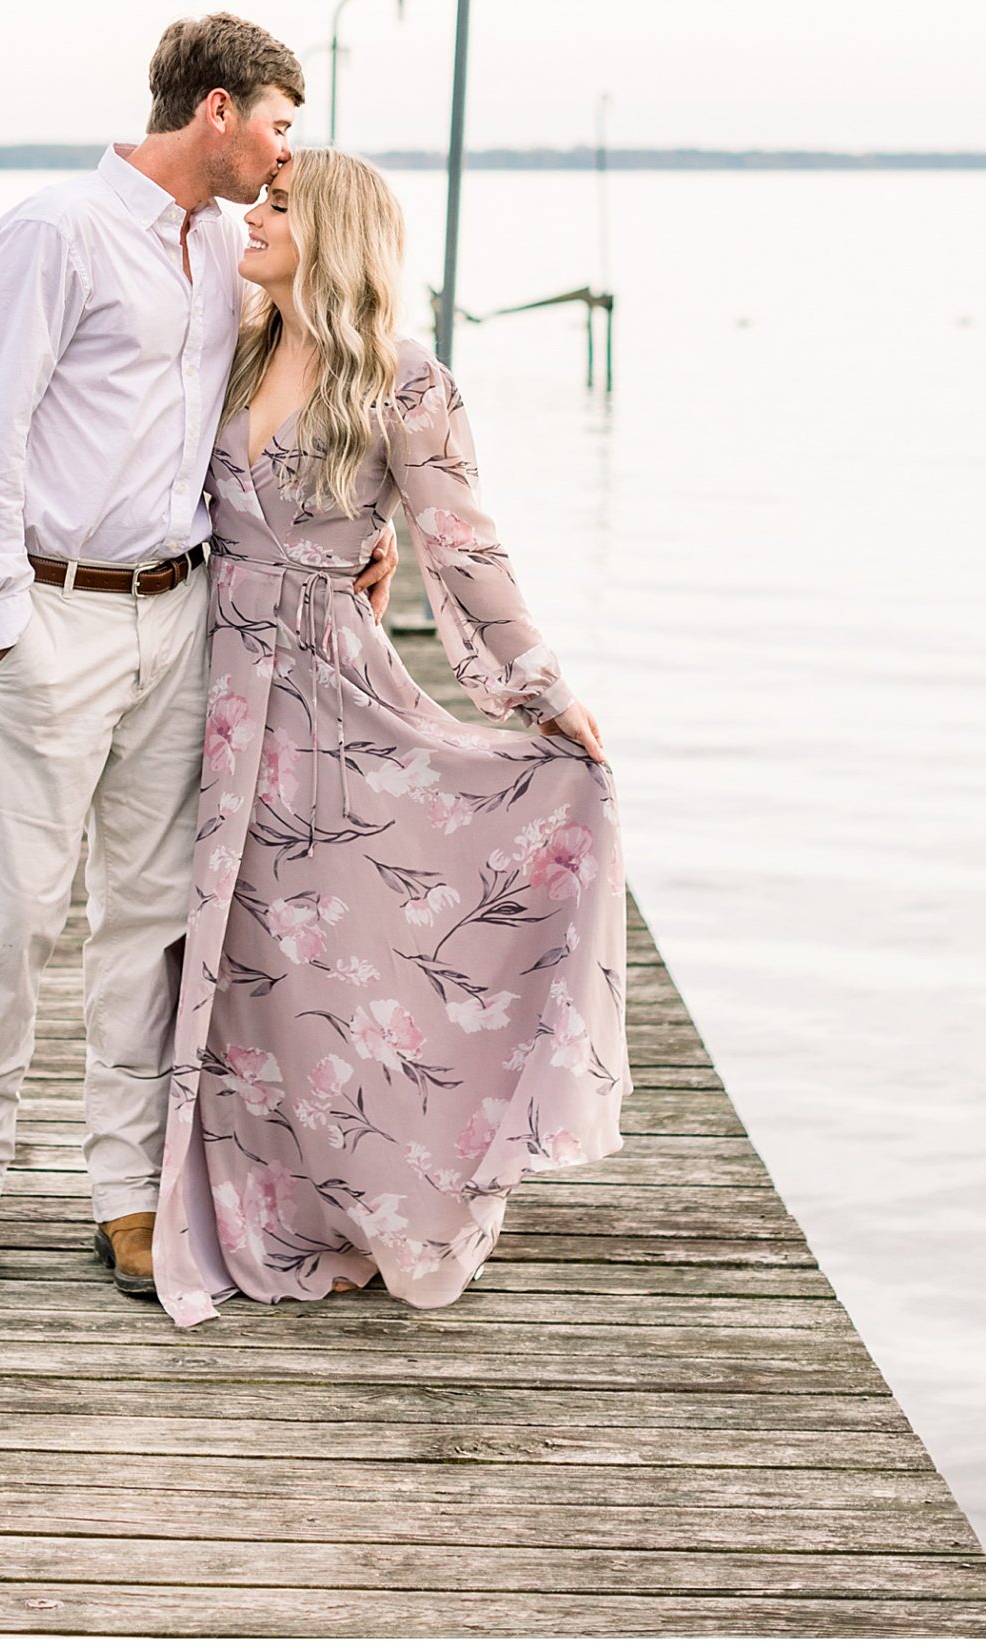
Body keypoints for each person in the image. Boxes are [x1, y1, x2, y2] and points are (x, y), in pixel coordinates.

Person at [0, 17, 396, 1300]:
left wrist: (371, 526)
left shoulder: (225, 262)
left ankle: (126, 1192)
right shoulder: (54, 231)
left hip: (181, 615)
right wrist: (1, 621)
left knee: (145, 922)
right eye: (283, 126)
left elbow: (296, 400)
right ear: (222, 111)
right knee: (13, 908)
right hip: (55, 616)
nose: (288, 154)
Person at [152, 147, 630, 1327]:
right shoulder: (228, 349)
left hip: (327, 692)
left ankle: (374, 1198)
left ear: (335, 234)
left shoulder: (401, 381)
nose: (250, 218)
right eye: (255, 199)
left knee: (332, 960)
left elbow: (463, 541)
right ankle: (252, 1206)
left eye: (276, 207)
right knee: (239, 963)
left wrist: (539, 688)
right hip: (212, 683)